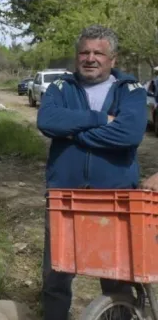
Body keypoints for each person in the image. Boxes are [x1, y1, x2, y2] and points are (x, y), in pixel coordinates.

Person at [37, 25, 147, 320]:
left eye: (99, 52)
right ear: (77, 57)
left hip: (116, 197)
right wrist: (100, 119)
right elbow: (48, 120)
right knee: (56, 275)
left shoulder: (131, 90)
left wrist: (74, 134)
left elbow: (129, 134)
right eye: (84, 52)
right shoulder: (61, 87)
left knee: (117, 276)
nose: (90, 58)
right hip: (65, 196)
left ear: (113, 58)